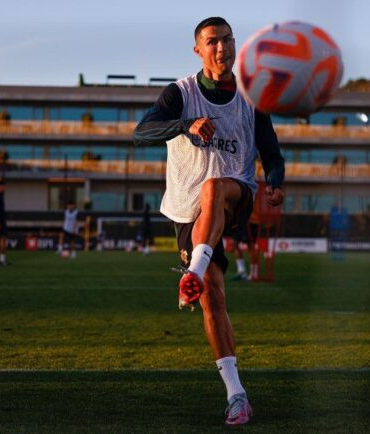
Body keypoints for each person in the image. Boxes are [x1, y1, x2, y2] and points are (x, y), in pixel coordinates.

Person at [133, 16, 285, 426]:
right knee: (214, 299)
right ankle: (237, 395)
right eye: (212, 42)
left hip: (235, 191)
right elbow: (141, 131)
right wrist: (183, 125)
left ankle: (192, 273)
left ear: (236, 46)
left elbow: (271, 152)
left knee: (215, 186)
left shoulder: (251, 97)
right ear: (198, 50)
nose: (221, 48)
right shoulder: (180, 93)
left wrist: (274, 181)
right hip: (188, 212)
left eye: (227, 40)